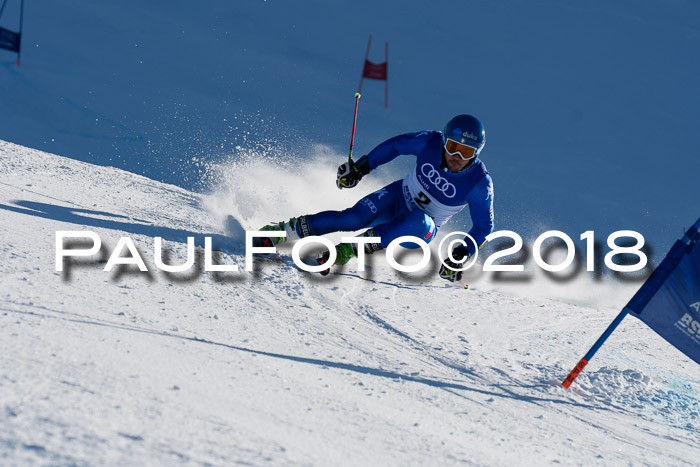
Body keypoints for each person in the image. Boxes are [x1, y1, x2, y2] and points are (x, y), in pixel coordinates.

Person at [257, 114, 494, 282]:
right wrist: (361, 168)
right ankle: (277, 232)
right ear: (444, 140)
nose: (456, 156)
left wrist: (461, 254)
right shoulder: (429, 142)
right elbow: (396, 145)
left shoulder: (479, 183)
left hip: (420, 229)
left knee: (420, 221)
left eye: (465, 152)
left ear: (477, 153)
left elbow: (484, 226)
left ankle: (344, 251)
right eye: (452, 146)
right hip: (398, 197)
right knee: (352, 219)